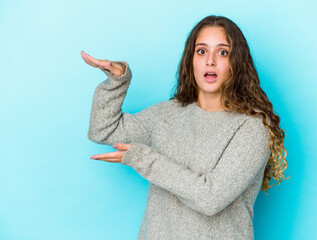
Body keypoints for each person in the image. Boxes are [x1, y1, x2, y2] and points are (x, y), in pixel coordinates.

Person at [81, 15, 288, 240]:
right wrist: (116, 82)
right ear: (190, 59)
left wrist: (142, 159)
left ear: (236, 62)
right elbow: (103, 130)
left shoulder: (252, 129)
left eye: (222, 52)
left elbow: (210, 198)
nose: (210, 61)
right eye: (201, 51)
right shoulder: (166, 114)